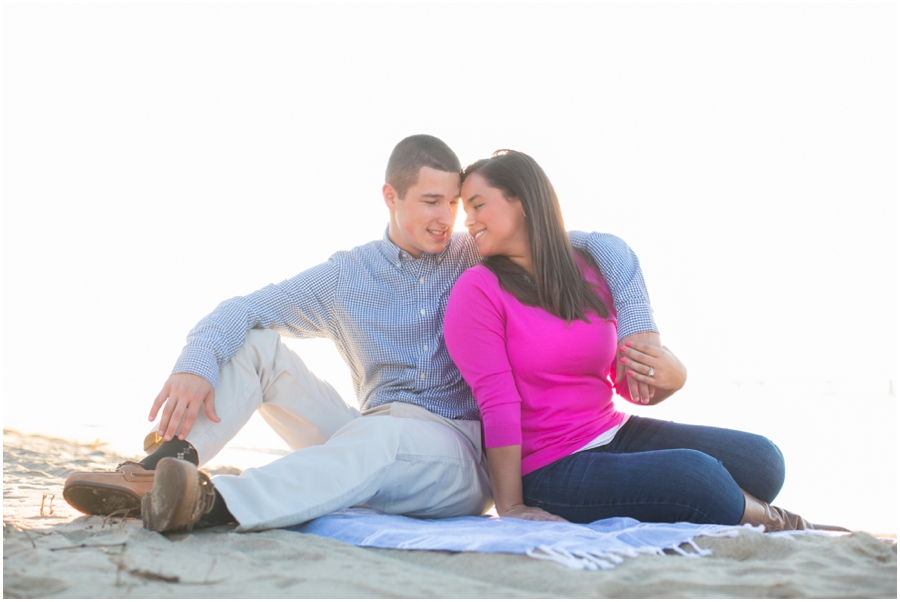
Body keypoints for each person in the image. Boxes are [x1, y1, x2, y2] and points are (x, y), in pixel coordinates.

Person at [63, 135, 661, 533]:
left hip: (457, 455)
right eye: (430, 201)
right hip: (375, 427)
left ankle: (214, 504)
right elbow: (240, 308)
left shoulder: (472, 255)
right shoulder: (347, 275)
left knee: (379, 442)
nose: (446, 218)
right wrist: (195, 362)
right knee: (259, 349)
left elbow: (595, 244)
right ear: (390, 197)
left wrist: (641, 332)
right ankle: (165, 468)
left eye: (453, 204)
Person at [443, 149, 829, 532]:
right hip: (549, 467)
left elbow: (628, 384)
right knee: (699, 477)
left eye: (478, 206)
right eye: (467, 213)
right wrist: (511, 504)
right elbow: (497, 402)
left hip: (614, 431)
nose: (470, 222)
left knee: (762, 460)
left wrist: (675, 378)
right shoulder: (476, 290)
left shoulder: (587, 270)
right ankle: (782, 523)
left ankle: (738, 505)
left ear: (523, 201)